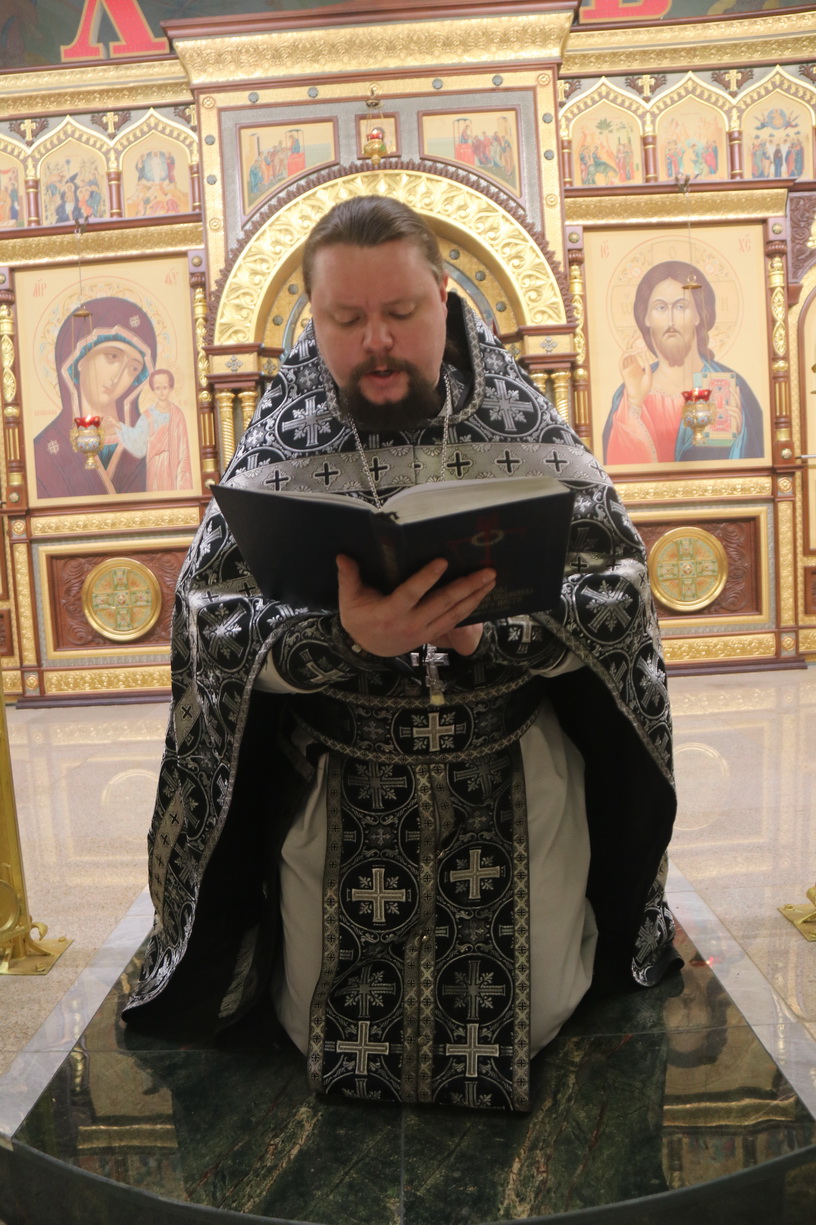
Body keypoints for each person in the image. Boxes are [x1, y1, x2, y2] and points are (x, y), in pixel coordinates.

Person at [123, 196, 679, 1113]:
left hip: (516, 782)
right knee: (319, 1026)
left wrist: (489, 630)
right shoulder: (281, 441)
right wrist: (340, 640)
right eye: (346, 319)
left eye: (401, 312)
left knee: (538, 1010)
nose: (376, 342)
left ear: (446, 297)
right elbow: (209, 624)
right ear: (313, 317)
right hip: (339, 791)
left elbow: (619, 596)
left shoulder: (525, 428)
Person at [603, 260, 763, 465]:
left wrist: (738, 439)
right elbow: (613, 470)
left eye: (681, 306)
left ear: (698, 314)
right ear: (646, 317)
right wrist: (633, 405)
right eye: (660, 307)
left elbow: (753, 463)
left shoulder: (730, 388)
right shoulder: (628, 394)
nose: (671, 320)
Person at [34, 296, 156, 499]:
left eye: (133, 369)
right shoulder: (45, 449)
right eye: (112, 356)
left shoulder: (147, 443)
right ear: (80, 360)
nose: (117, 377)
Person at [116, 368, 193, 491]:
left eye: (165, 388)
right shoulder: (148, 415)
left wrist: (183, 477)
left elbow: (184, 447)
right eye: (157, 388)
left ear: (171, 388)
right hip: (154, 466)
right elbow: (138, 440)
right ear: (152, 390)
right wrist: (119, 427)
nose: (161, 392)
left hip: (173, 465)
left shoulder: (177, 414)